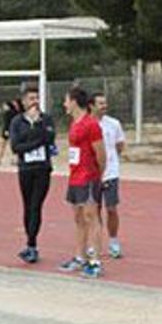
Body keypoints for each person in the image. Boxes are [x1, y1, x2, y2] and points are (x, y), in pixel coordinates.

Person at [59, 87, 106, 279]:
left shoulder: (91, 124)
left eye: (66, 100)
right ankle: (79, 256)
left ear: (74, 102)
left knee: (91, 217)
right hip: (75, 177)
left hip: (88, 178)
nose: (64, 104)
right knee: (78, 218)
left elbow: (101, 154)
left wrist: (98, 175)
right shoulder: (74, 123)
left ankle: (95, 261)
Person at [9, 86, 56, 263]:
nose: (34, 101)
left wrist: (36, 126)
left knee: (36, 205)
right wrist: (36, 140)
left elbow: (49, 138)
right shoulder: (17, 121)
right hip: (25, 169)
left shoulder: (46, 119)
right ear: (24, 101)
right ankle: (30, 243)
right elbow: (16, 147)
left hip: (43, 168)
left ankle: (32, 245)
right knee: (27, 206)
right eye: (31, 98)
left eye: (37, 98)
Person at [92, 93, 126, 259]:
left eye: (105, 103)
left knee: (111, 208)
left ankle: (113, 240)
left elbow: (120, 145)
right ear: (91, 105)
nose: (104, 106)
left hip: (110, 173)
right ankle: (95, 242)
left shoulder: (114, 124)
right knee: (94, 209)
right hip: (93, 174)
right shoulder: (87, 124)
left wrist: (111, 161)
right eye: (100, 103)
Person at [0, 97, 24, 164]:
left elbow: (9, 122)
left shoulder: (16, 112)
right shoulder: (9, 113)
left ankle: (15, 159)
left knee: (14, 145)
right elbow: (6, 123)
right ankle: (0, 158)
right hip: (8, 130)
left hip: (14, 130)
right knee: (4, 145)